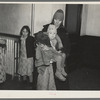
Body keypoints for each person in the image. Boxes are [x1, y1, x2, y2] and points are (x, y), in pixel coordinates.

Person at [42, 9, 71, 76]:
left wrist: (62, 50)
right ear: (53, 19)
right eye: (56, 19)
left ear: (62, 21)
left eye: (59, 20)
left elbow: (67, 45)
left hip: (59, 54)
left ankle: (60, 71)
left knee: (62, 58)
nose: (57, 22)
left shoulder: (63, 31)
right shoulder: (47, 27)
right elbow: (40, 38)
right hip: (48, 53)